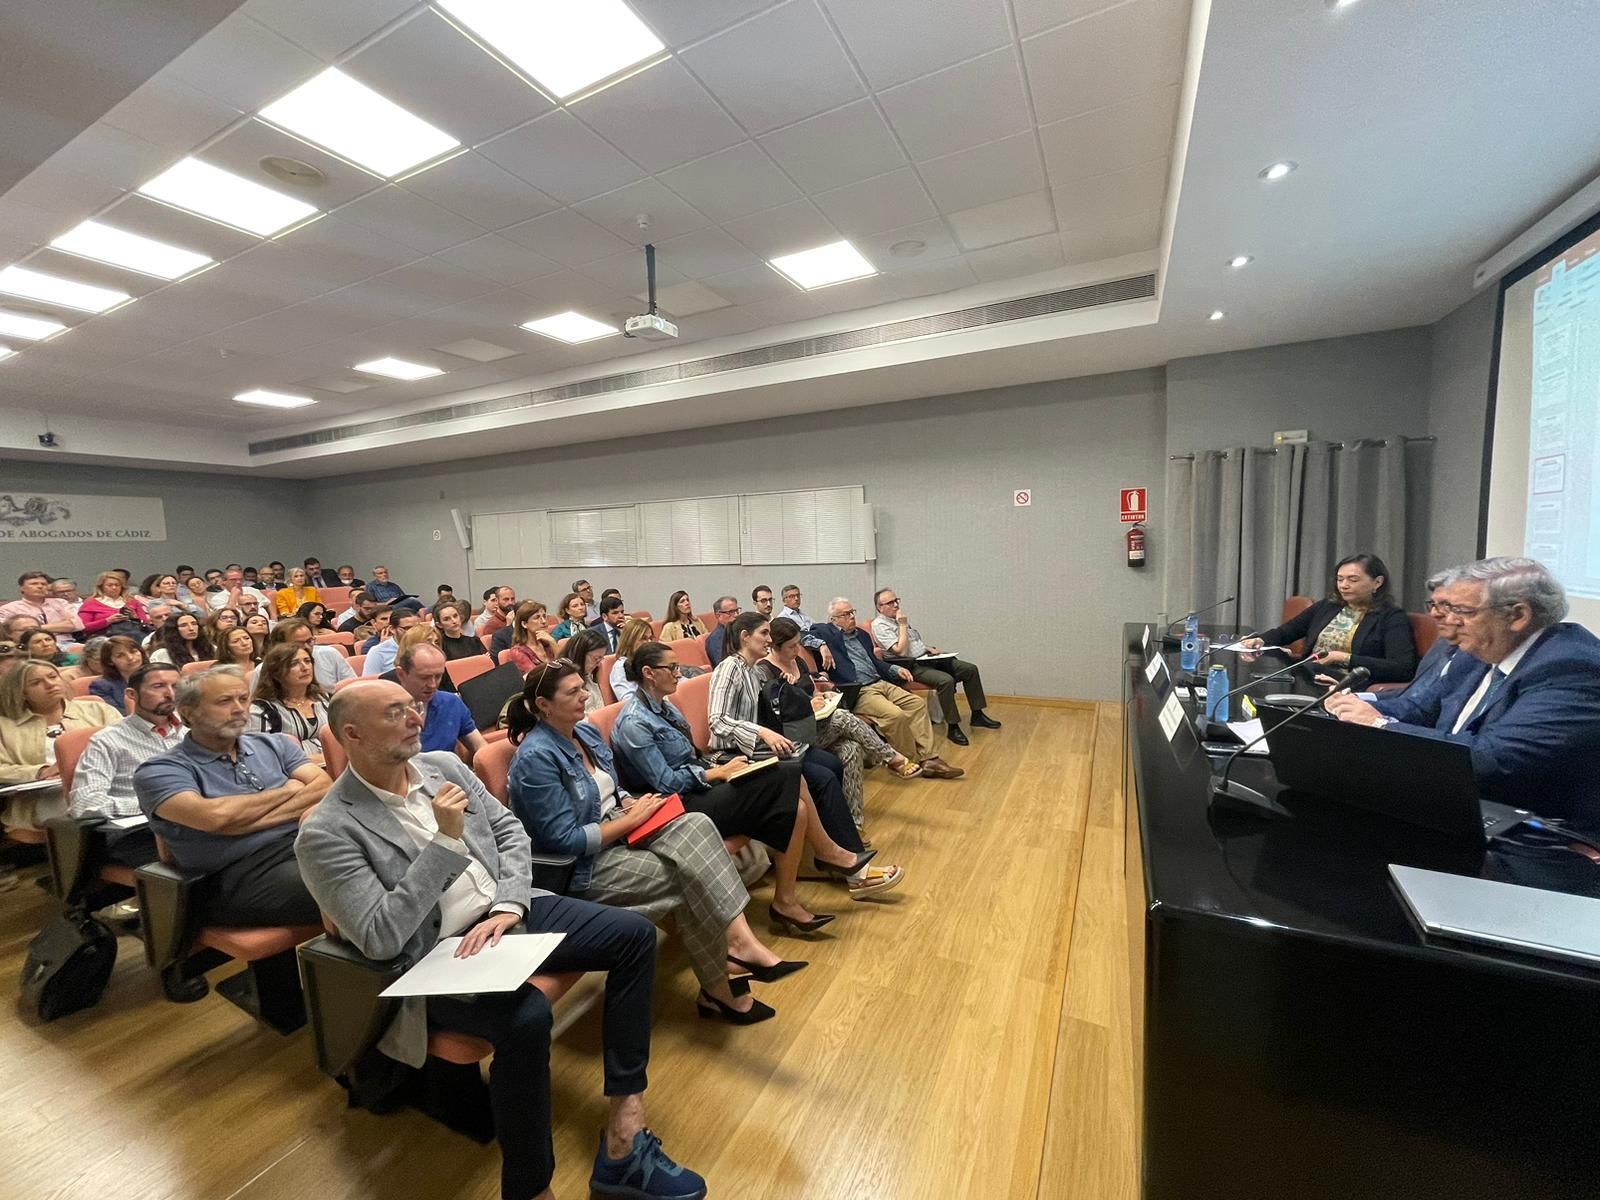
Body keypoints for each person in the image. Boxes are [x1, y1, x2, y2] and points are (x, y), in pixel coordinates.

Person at [295, 681, 705, 1200]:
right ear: (351, 734)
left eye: (412, 708)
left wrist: (510, 904)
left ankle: (625, 1126)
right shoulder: (327, 830)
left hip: (504, 910)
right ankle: (529, 1188)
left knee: (633, 936)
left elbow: (510, 831)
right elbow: (380, 937)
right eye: (395, 713)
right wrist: (443, 843)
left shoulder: (443, 765)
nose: (415, 719)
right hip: (435, 956)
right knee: (526, 1018)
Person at [507, 659, 789, 1024]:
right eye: (572, 692)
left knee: (698, 823)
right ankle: (719, 986)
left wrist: (629, 803)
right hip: (586, 865)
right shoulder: (535, 757)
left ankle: (739, 944)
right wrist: (630, 820)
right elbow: (565, 841)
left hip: (623, 828)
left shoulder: (585, 733)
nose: (583, 696)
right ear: (544, 705)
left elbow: (611, 789)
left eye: (582, 687)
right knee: (687, 874)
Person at [617, 639, 889, 933]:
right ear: (648, 672)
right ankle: (828, 852)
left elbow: (691, 757)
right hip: (681, 805)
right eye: (670, 668)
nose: (678, 673)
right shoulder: (635, 722)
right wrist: (718, 772)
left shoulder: (663, 707)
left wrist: (719, 771)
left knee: (796, 808)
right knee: (790, 774)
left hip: (702, 783)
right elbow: (665, 783)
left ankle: (786, 901)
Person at [1328, 557, 1600, 822]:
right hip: (1460, 795)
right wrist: (1348, 708)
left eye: (1463, 611)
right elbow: (1423, 709)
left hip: (1535, 824)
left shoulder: (1571, 668)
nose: (1448, 619)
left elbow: (1493, 760)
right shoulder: (1481, 649)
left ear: (1518, 616)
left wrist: (1378, 724)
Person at [710, 612, 906, 899]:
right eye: (764, 633)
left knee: (832, 761)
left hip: (758, 745)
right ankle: (854, 871)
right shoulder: (730, 668)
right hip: (735, 754)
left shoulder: (750, 669)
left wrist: (787, 696)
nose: (769, 639)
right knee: (821, 776)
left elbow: (769, 709)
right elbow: (717, 721)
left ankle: (833, 851)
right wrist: (762, 733)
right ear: (744, 637)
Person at [134, 666, 330, 929]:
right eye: (224, 701)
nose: (239, 708)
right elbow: (215, 817)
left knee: (391, 856)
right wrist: (289, 791)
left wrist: (239, 823)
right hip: (238, 876)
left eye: (242, 698)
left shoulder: (275, 743)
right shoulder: (160, 770)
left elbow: (324, 786)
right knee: (349, 884)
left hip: (306, 842)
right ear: (189, 712)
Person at [765, 617, 923, 831]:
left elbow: (812, 691)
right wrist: (806, 705)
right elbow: (773, 716)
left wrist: (823, 695)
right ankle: (891, 757)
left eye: (798, 644)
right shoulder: (765, 670)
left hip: (816, 726)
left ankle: (853, 824)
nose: (797, 650)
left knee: (852, 748)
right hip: (793, 737)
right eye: (791, 646)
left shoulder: (798, 661)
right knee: (842, 717)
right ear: (775, 646)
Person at [810, 599, 962, 777]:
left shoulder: (861, 635)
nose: (852, 617)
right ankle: (907, 760)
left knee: (916, 704)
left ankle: (930, 759)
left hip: (879, 682)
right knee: (894, 714)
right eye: (846, 614)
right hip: (859, 690)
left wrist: (894, 669)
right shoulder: (825, 632)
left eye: (853, 612)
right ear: (833, 619)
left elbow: (875, 662)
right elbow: (802, 633)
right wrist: (821, 645)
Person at [68, 663, 184, 865]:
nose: (170, 694)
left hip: (189, 822)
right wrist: (154, 805)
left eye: (176, 686)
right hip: (137, 832)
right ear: (132, 694)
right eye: (159, 686)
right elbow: (84, 803)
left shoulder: (189, 732)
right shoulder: (108, 740)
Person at [1240, 552, 1418, 683]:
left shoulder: (1392, 617)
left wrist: (1342, 657)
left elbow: (1402, 668)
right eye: (1340, 579)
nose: (1344, 585)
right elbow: (1287, 631)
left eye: (1352, 580)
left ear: (1377, 582)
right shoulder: (1329, 606)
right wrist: (1261, 640)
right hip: (1309, 675)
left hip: (1348, 684)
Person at [870, 587, 1000, 745]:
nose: (896, 605)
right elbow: (901, 651)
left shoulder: (897, 618)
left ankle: (978, 714)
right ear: (879, 607)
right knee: (945, 680)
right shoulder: (880, 625)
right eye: (890, 603)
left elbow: (913, 642)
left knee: (969, 669)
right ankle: (953, 727)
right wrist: (902, 625)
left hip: (925, 657)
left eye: (896, 600)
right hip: (909, 666)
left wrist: (928, 648)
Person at [0, 661, 120, 830]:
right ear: (22, 692)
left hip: (108, 783)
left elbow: (129, 744)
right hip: (44, 796)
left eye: (53, 677)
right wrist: (40, 771)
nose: (50, 684)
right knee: (86, 806)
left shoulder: (99, 710)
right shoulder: (4, 726)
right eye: (36, 683)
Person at [392, 644, 485, 760]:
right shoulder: (386, 714)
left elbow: (480, 748)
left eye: (438, 677)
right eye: (424, 677)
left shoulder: (451, 703)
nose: (432, 685)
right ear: (401, 674)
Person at [250, 643, 330, 762]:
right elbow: (260, 756)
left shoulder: (322, 697)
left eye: (307, 661)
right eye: (294, 664)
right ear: (276, 672)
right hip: (291, 773)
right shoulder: (261, 710)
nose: (305, 667)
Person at [266, 616, 357, 691]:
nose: (307, 647)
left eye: (309, 641)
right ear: (280, 645)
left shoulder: (330, 654)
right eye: (298, 644)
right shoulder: (266, 668)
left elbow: (352, 687)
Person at [1, 571, 83, 650]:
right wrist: (61, 625)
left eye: (43, 584)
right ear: (22, 588)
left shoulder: (60, 603)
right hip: (30, 647)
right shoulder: (8, 609)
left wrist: (34, 629)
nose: (40, 586)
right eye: (34, 584)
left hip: (66, 643)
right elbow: (6, 633)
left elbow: (78, 625)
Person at [777, 584, 835, 670]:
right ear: (784, 600)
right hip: (804, 649)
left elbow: (816, 628)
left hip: (814, 645)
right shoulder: (783, 618)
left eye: (798, 595)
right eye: (792, 596)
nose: (796, 599)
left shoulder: (803, 615)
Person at [79, 571, 150, 638]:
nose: (114, 588)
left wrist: (134, 617)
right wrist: (108, 621)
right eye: (110, 585)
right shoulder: (91, 603)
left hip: (132, 634)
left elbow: (145, 623)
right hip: (103, 637)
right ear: (102, 587)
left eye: (117, 585)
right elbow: (84, 627)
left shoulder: (132, 601)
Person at [90, 635, 147, 714]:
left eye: (133, 651)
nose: (130, 657)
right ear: (110, 662)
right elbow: (116, 716)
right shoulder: (101, 687)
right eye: (120, 656)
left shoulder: (159, 676)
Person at [502, 601, 559, 676]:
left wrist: (553, 643)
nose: (544, 621)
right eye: (537, 617)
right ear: (524, 624)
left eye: (544, 616)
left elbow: (568, 668)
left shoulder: (548, 643)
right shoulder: (517, 652)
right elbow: (537, 678)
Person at [608, 618, 656, 704]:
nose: (649, 643)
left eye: (651, 638)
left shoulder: (653, 660)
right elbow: (629, 702)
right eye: (644, 639)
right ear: (630, 641)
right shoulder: (621, 667)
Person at [362, 609, 421, 676]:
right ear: (392, 629)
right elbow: (370, 681)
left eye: (417, 628)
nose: (412, 632)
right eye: (407, 628)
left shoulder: (425, 646)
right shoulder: (378, 652)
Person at [565, 629, 610, 714]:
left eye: (601, 658)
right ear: (580, 654)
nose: (599, 664)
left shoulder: (589, 675)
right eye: (596, 658)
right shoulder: (565, 683)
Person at [704, 596, 740, 664]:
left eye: (737, 610)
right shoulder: (715, 638)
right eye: (731, 612)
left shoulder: (739, 630)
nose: (736, 615)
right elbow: (723, 663)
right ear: (718, 616)